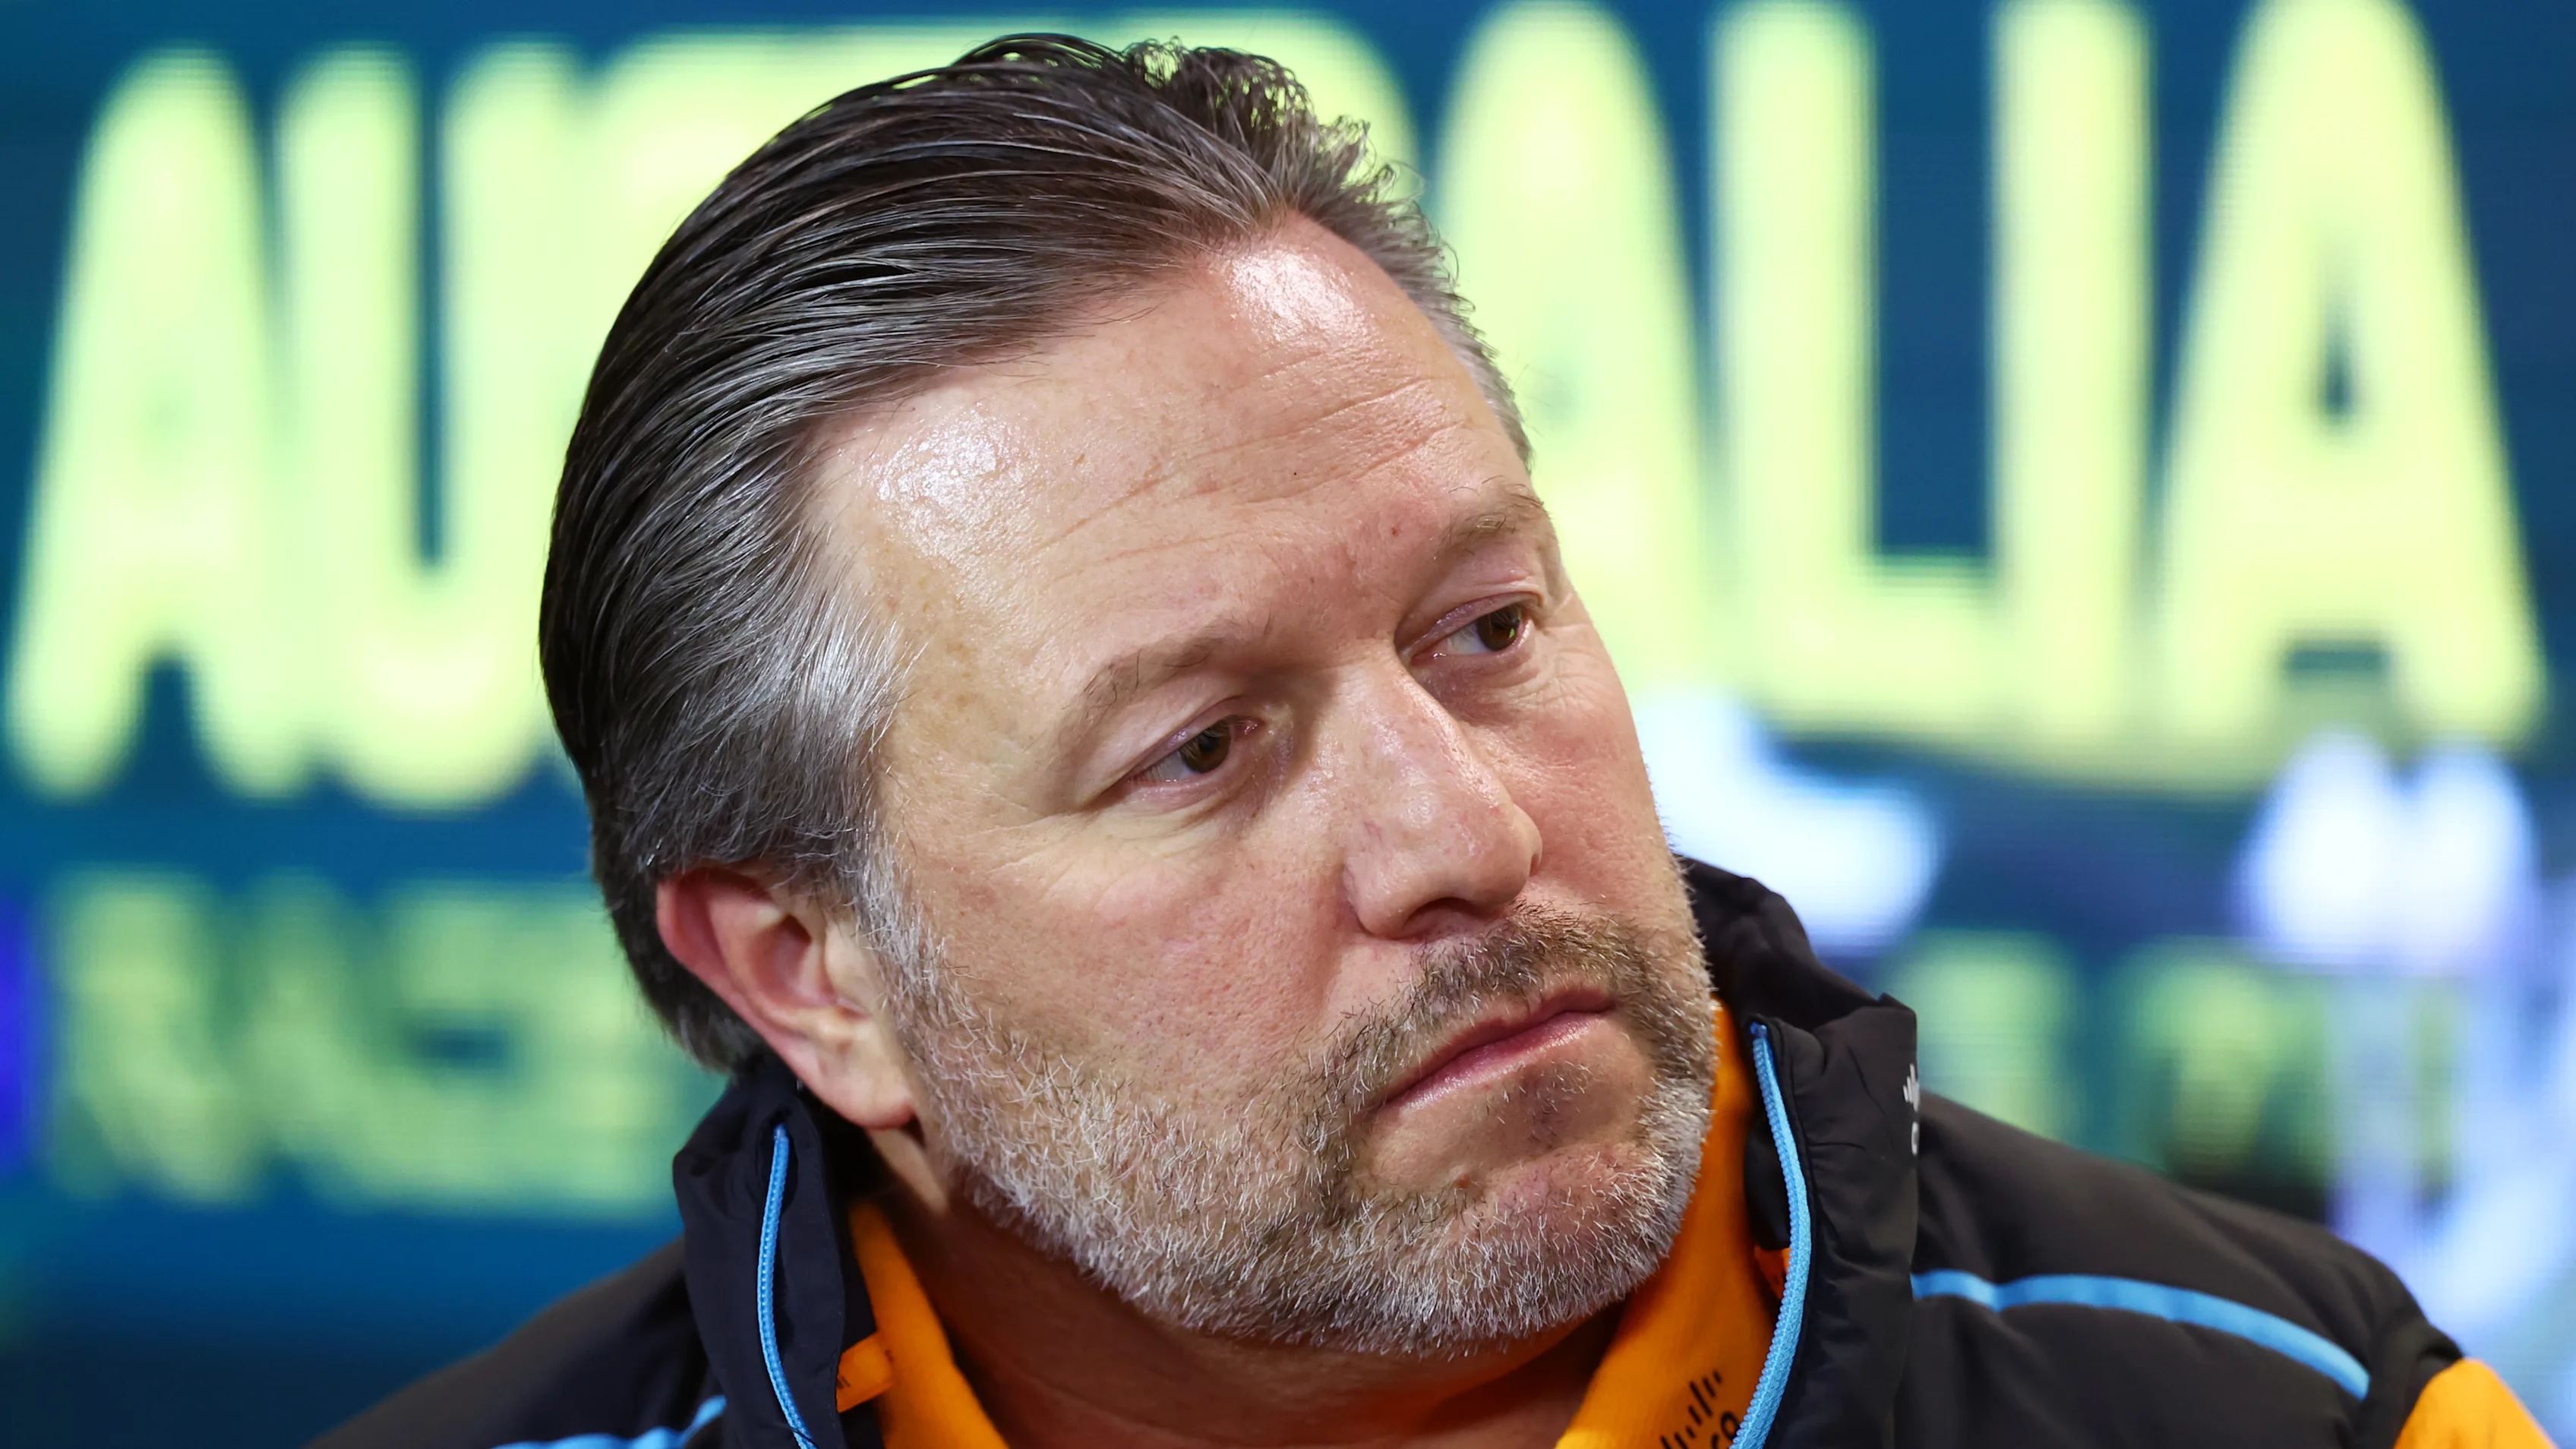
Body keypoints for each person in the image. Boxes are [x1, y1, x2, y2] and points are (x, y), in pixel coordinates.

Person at [317, 33, 2550, 1449]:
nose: (1464, 830)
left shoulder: (2296, 1408)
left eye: (1484, 627)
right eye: (1200, 748)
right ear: (814, 971)